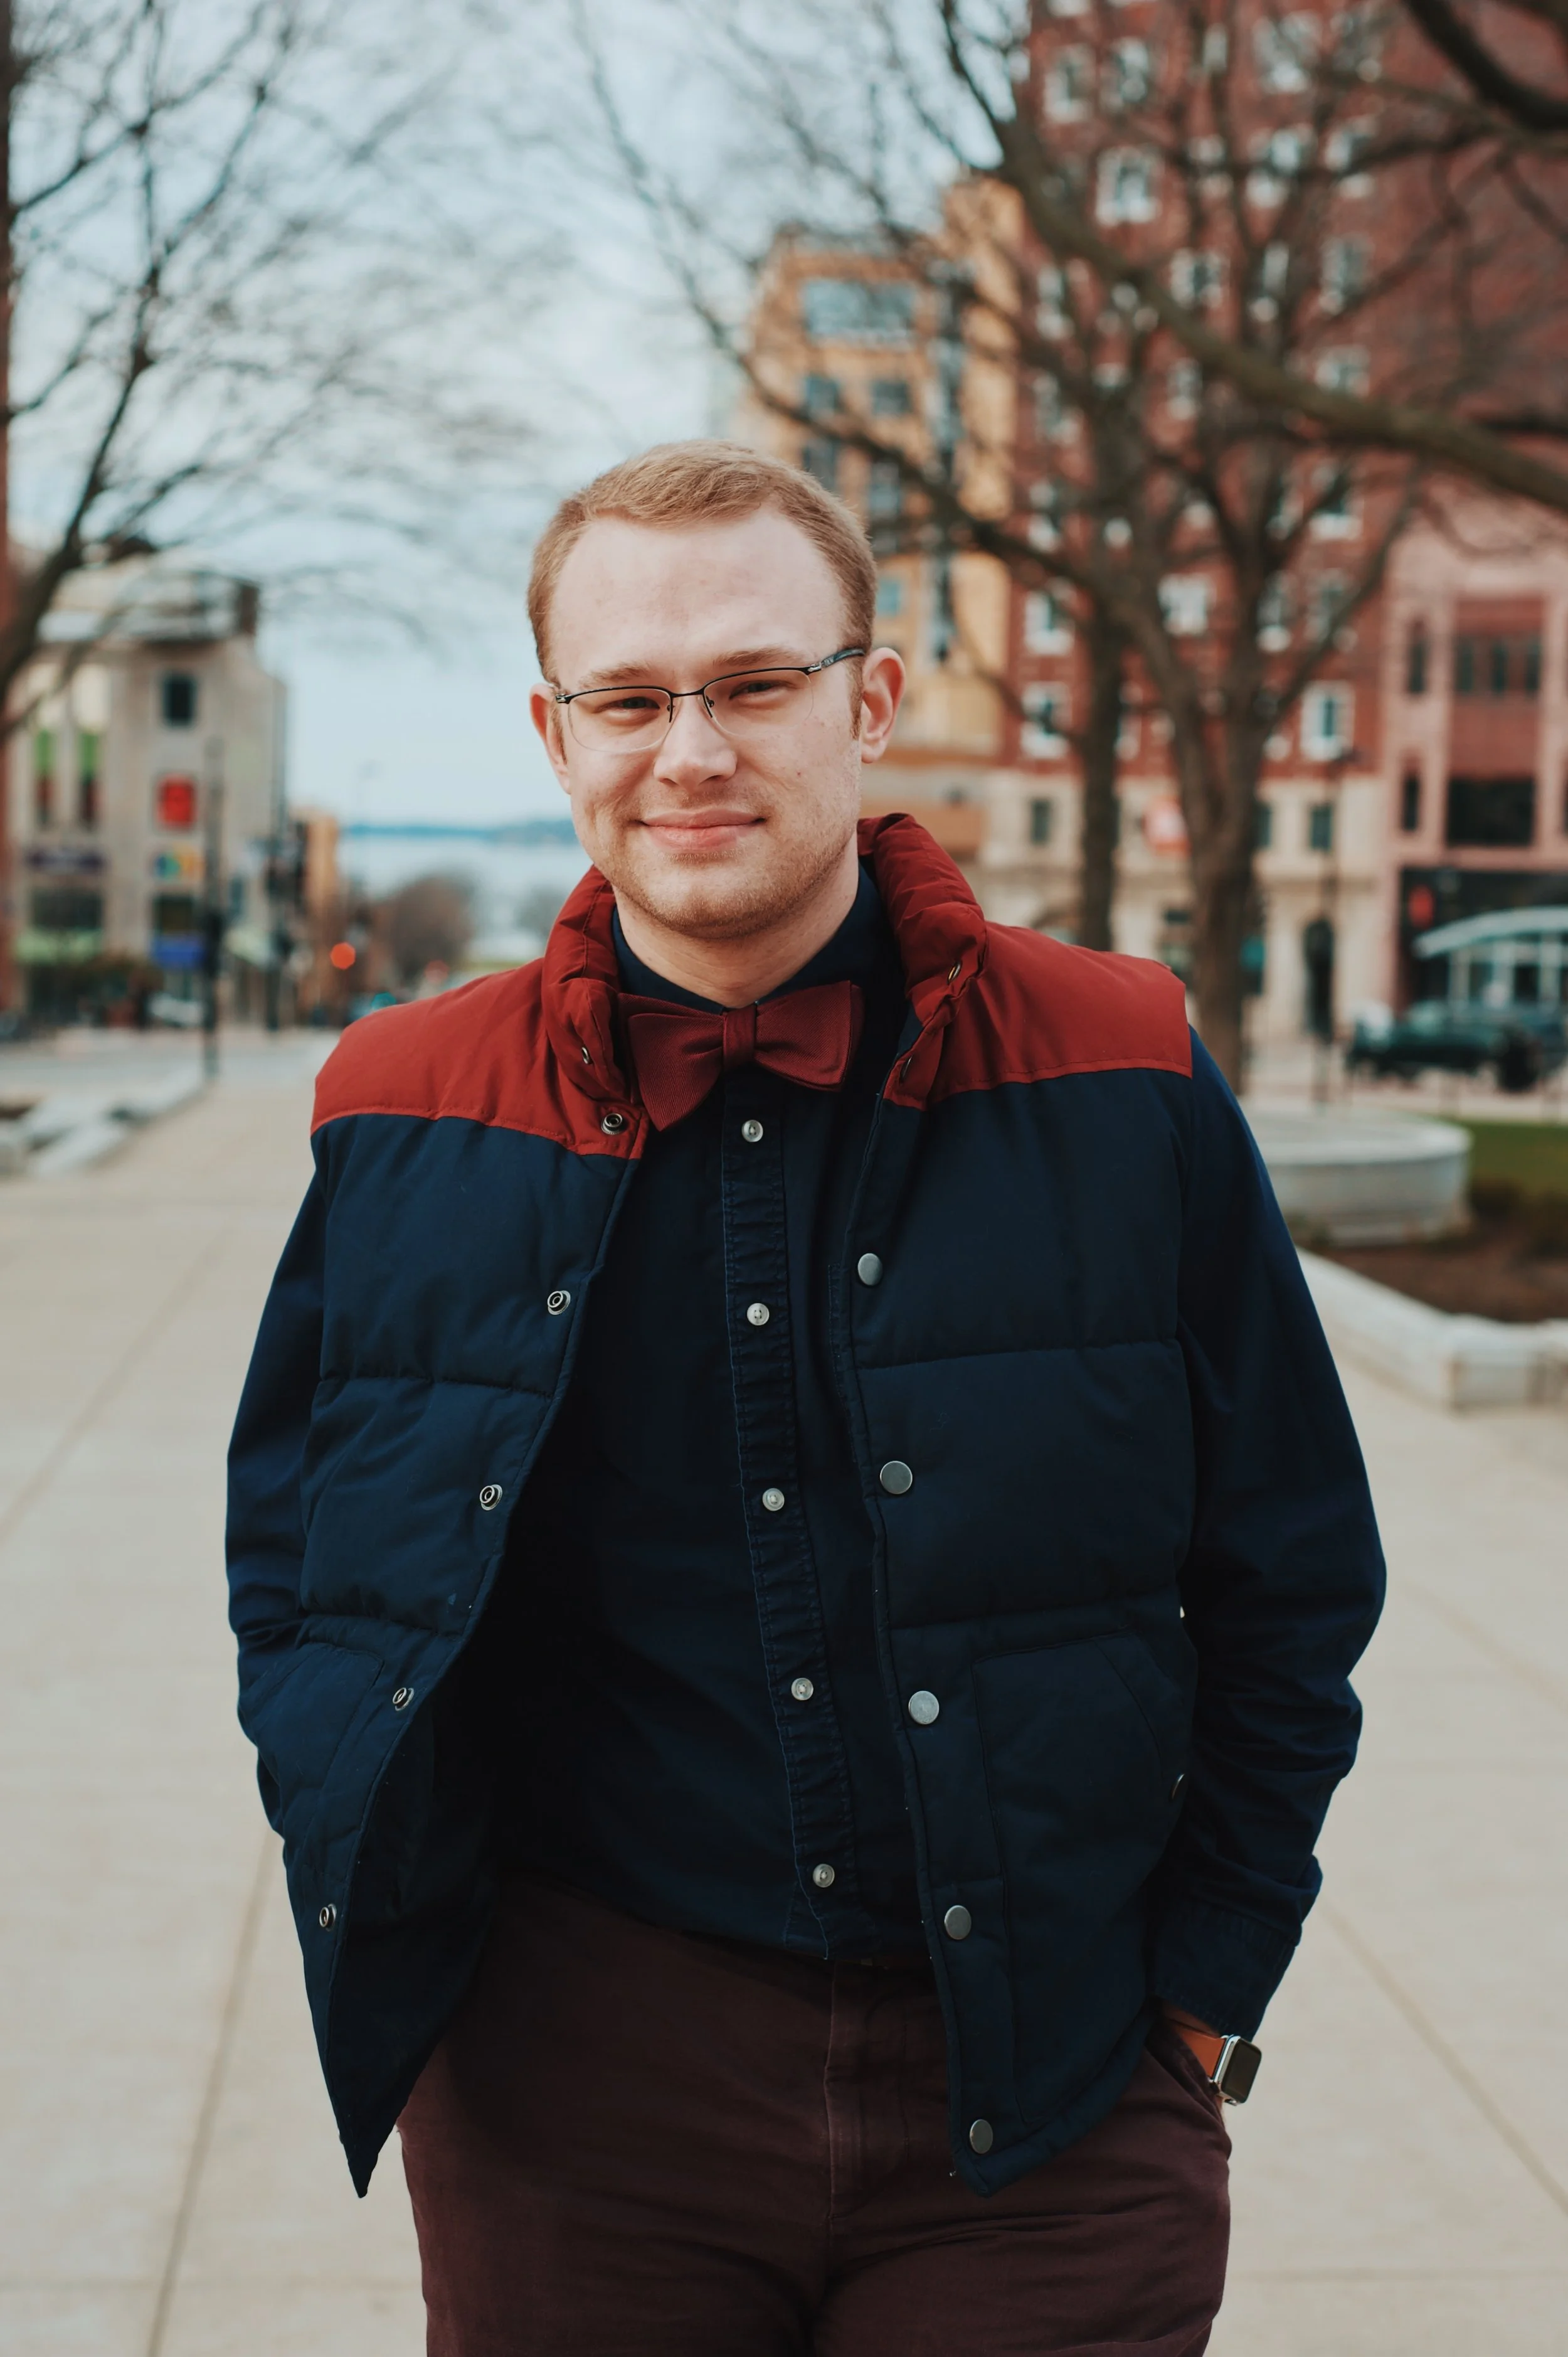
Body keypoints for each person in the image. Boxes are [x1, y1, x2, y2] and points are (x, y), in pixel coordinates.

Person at [226, 440, 1384, 2355]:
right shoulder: (400, 1106)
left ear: (867, 699)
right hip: (580, 2109)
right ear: (556, 730)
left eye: (753, 683)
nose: (691, 749)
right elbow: (301, 1571)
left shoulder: (1124, 1065)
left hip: (1058, 2084)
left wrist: (1199, 1987)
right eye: (630, 697)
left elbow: (1292, 1567)